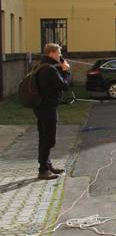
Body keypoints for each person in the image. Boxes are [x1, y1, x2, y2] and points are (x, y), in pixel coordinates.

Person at [32, 43, 71, 180]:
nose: (60, 55)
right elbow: (64, 85)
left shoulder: (42, 66)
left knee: (44, 137)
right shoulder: (49, 69)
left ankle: (47, 166)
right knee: (49, 139)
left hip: (40, 107)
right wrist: (66, 71)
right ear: (52, 53)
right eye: (59, 52)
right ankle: (43, 170)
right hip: (47, 108)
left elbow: (53, 83)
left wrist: (60, 68)